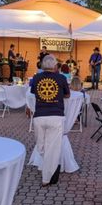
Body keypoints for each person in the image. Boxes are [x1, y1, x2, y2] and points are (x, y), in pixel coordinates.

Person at [30, 55, 70, 186]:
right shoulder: (62, 78)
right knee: (51, 149)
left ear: (42, 65)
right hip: (55, 116)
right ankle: (49, 169)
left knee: (41, 147)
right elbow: (67, 94)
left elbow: (34, 92)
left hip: (39, 116)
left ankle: (46, 177)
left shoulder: (36, 78)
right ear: (54, 66)